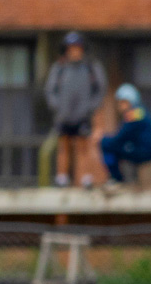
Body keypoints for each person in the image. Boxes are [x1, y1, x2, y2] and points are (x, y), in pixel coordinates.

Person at [44, 31, 106, 187]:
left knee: (83, 146)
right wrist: (57, 106)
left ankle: (85, 178)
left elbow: (100, 89)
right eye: (71, 48)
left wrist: (91, 106)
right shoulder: (59, 68)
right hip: (64, 116)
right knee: (63, 146)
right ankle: (62, 178)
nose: (74, 51)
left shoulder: (91, 67)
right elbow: (50, 90)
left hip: (83, 115)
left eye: (77, 48)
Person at [99, 84, 151, 184]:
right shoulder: (140, 111)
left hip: (146, 151)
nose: (120, 105)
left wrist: (102, 139)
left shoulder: (134, 114)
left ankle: (116, 178)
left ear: (131, 101)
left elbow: (120, 138)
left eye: (123, 102)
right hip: (146, 149)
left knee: (106, 144)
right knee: (111, 144)